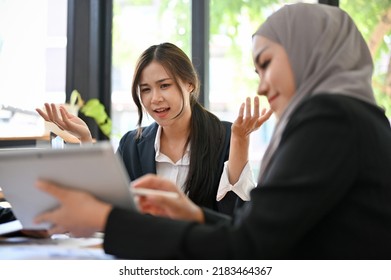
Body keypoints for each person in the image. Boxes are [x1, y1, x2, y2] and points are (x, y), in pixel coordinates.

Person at [35, 3, 391, 259]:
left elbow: (248, 246)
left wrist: (105, 220)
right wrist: (192, 214)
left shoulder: (329, 119)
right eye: (146, 89)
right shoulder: (356, 117)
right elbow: (262, 234)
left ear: (308, 52)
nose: (263, 87)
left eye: (266, 64)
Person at [36, 43, 272, 217]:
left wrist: (240, 141)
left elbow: (236, 216)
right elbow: (110, 207)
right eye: (146, 89)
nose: (155, 99)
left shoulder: (226, 136)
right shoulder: (132, 144)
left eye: (164, 85)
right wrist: (85, 140)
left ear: (189, 84)